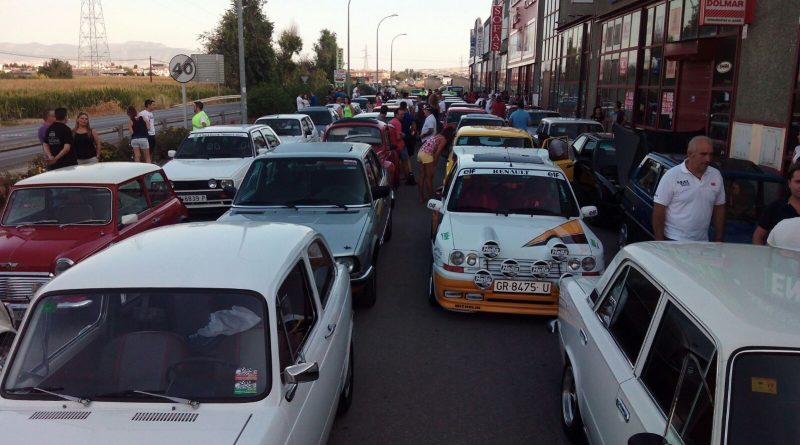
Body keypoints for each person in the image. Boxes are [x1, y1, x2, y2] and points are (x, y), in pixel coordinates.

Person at [653, 136, 725, 241]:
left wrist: (719, 239)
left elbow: (719, 207)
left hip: (702, 242)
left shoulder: (716, 175)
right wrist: (659, 242)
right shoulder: (672, 175)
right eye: (703, 154)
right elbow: (659, 209)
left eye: (711, 154)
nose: (708, 159)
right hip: (673, 240)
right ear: (690, 154)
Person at [753, 162, 800, 244]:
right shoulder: (775, 208)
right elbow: (758, 237)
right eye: (798, 182)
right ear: (789, 183)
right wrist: (762, 256)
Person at [417, 126, 455, 203]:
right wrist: (435, 164)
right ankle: (432, 200)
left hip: (420, 152)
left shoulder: (438, 136)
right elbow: (437, 153)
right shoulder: (444, 140)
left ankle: (421, 198)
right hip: (427, 155)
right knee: (429, 179)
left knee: (422, 176)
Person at [389, 108, 411, 184]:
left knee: (396, 164)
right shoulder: (398, 123)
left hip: (393, 147)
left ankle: (396, 180)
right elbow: (398, 137)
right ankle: (408, 179)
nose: (403, 116)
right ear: (396, 115)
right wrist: (404, 135)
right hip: (400, 146)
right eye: (401, 114)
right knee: (405, 162)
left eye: (403, 114)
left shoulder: (390, 122)